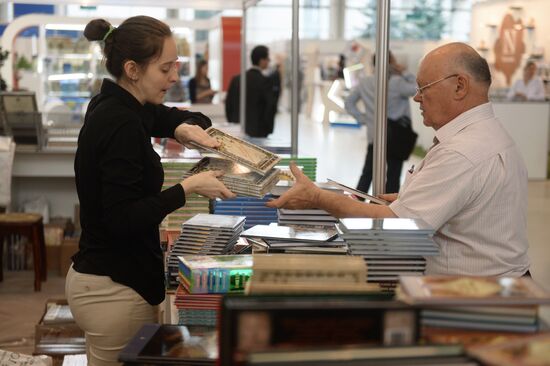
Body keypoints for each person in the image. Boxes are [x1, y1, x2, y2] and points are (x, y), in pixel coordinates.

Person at [268, 42, 530, 278]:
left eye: (423, 88)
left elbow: (398, 227)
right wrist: (413, 200)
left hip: (475, 298)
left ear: (459, 86)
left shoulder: (462, 151)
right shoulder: (486, 134)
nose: (416, 97)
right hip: (492, 286)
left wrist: (318, 198)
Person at [66, 16, 235, 366]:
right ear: (132, 69)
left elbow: (164, 116)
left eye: (176, 66)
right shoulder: (121, 123)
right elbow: (122, 218)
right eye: (164, 68)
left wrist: (182, 128)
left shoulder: (116, 105)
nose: (174, 77)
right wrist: (188, 188)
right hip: (114, 287)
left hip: (104, 280)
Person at [345, 51, 416, 194]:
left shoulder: (365, 82)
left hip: (375, 135)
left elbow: (349, 103)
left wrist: (363, 118)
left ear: (374, 63)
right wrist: (404, 71)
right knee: (393, 177)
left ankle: (354, 208)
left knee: (367, 174)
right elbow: (416, 88)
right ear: (391, 62)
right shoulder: (397, 82)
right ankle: (385, 210)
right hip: (396, 136)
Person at [225, 45, 275, 137]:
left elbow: (229, 104)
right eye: (268, 59)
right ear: (261, 60)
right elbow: (269, 107)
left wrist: (232, 123)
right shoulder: (265, 81)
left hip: (237, 129)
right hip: (258, 131)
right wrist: (268, 130)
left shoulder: (236, 79)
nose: (269, 61)